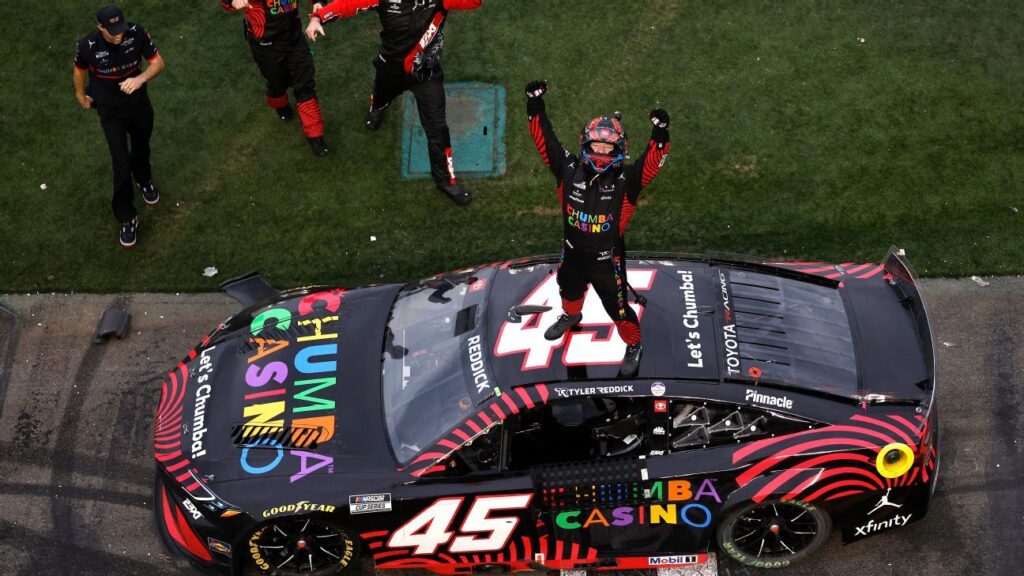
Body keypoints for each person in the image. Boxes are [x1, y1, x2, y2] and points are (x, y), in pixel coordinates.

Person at [524, 80, 671, 377]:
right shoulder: (567, 169)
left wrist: (660, 133)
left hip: (608, 262)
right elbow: (545, 140)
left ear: (620, 149)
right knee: (567, 288)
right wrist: (534, 103)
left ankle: (634, 344)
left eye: (608, 147)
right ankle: (571, 315)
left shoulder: (626, 181)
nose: (602, 152)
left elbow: (653, 163)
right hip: (572, 253)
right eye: (597, 146)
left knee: (619, 310)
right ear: (585, 145)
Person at [305, 0, 482, 206]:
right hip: (390, 70)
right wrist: (318, 17)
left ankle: (445, 182)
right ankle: (377, 108)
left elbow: (473, 2)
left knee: (437, 130)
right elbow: (348, 4)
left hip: (426, 74)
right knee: (381, 98)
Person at [74, 5, 166, 248]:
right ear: (100, 28)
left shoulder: (137, 33)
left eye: (120, 29)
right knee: (121, 163)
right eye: (112, 31)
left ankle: (144, 179)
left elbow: (158, 63)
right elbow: (79, 69)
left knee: (141, 148)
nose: (119, 35)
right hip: (110, 112)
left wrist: (140, 78)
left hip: (138, 105)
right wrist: (80, 94)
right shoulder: (87, 45)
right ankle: (127, 217)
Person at [221, 0, 329, 156]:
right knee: (276, 84)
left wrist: (318, 2)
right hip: (265, 43)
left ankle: (315, 136)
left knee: (305, 85)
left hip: (294, 37)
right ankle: (279, 101)